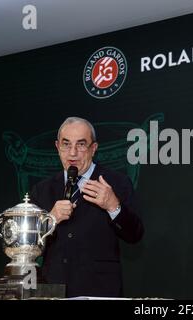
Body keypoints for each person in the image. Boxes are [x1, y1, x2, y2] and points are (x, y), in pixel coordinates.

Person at [30, 116, 144, 298]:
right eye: (66, 144)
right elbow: (29, 246)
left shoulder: (116, 182)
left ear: (93, 149)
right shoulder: (42, 189)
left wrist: (113, 205)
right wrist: (49, 220)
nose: (73, 153)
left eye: (81, 145)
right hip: (52, 290)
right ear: (57, 147)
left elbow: (134, 234)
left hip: (99, 290)